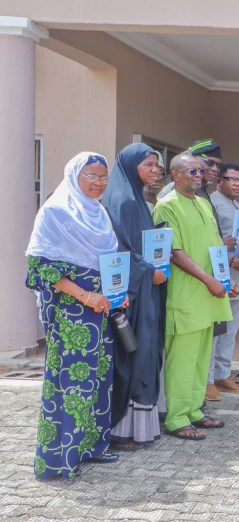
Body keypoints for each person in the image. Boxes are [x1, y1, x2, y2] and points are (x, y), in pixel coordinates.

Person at [26, 152, 124, 478]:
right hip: (71, 312)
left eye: (103, 178)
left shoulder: (99, 213)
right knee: (70, 383)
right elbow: (40, 268)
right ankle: (60, 460)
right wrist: (85, 295)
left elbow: (108, 263)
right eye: (91, 176)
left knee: (97, 379)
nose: (98, 183)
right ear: (74, 176)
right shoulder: (55, 212)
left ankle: (90, 447)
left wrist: (116, 292)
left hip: (101, 311)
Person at [153, 153, 234, 440]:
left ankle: (194, 410)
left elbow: (214, 246)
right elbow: (174, 252)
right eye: (192, 171)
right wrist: (209, 280)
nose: (199, 175)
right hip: (186, 295)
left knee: (201, 358)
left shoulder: (203, 203)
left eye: (202, 171)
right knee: (183, 360)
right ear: (175, 174)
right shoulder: (166, 206)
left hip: (209, 295)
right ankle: (176, 417)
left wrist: (224, 280)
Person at [101, 143, 167, 451]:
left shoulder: (139, 200)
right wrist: (149, 270)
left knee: (144, 354)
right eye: (148, 165)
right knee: (133, 356)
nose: (155, 170)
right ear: (130, 167)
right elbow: (120, 250)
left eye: (157, 165)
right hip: (132, 294)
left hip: (145, 289)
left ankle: (134, 428)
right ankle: (119, 429)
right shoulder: (123, 201)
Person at [206, 163, 239, 400]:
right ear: (219, 181)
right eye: (232, 179)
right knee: (215, 332)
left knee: (229, 333)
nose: (237, 184)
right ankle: (207, 380)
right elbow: (209, 244)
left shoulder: (236, 205)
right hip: (219, 277)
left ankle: (222, 375)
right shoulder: (211, 203)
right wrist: (232, 260)